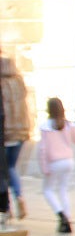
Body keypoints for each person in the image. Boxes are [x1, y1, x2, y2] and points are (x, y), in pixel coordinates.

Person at [39, 97, 75, 232]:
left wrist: (44, 165)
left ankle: (61, 214)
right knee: (63, 190)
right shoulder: (68, 125)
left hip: (53, 162)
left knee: (48, 190)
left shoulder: (46, 126)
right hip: (68, 160)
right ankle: (67, 218)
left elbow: (43, 148)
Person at [1, 57, 32, 219]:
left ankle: (6, 207)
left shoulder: (2, 83)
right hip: (21, 131)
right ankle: (17, 197)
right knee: (11, 166)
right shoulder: (19, 81)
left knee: (5, 170)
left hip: (6, 133)